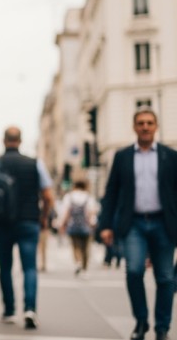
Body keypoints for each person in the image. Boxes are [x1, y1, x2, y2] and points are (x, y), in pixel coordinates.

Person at [98, 108, 177, 340]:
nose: (145, 127)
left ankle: (162, 327)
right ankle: (141, 322)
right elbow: (111, 191)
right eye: (141, 123)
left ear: (156, 127)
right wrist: (105, 225)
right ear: (134, 127)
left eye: (149, 123)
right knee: (133, 271)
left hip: (164, 223)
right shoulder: (122, 157)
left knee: (165, 277)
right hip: (133, 224)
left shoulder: (170, 156)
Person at [0, 126, 54, 330]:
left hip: (2, 224)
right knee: (29, 267)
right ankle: (30, 309)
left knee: (5, 267)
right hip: (29, 222)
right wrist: (43, 217)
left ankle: (9, 310)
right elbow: (48, 196)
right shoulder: (35, 164)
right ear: (20, 140)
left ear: (3, 141)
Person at [58, 179, 97, 277]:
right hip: (86, 226)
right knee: (86, 248)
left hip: (73, 225)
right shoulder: (88, 197)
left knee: (76, 246)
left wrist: (62, 224)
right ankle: (84, 268)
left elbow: (66, 212)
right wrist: (92, 223)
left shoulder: (69, 197)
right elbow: (91, 212)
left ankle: (78, 262)